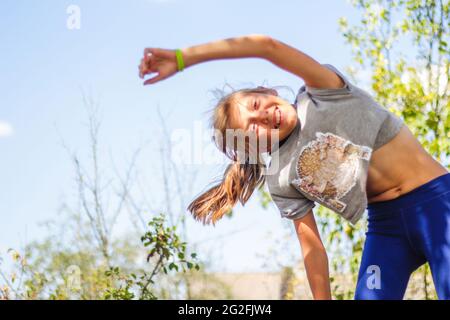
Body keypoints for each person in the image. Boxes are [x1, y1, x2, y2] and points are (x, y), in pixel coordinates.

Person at [138, 34, 450, 300]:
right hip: (387, 230)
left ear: (267, 91)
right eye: (252, 131)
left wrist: (183, 58)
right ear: (253, 149)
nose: (264, 118)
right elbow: (312, 248)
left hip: (437, 202)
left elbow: (266, 46)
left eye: (257, 106)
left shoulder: (322, 92)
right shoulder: (280, 178)